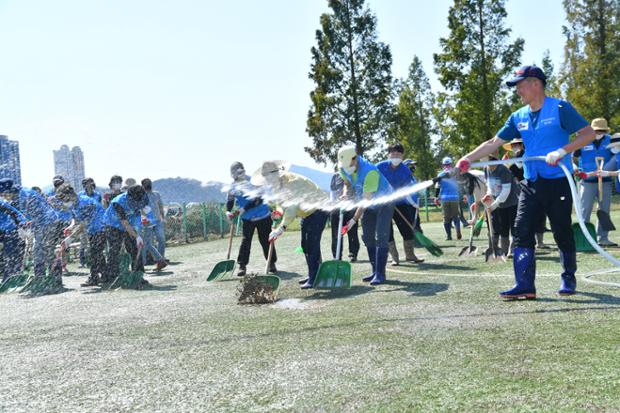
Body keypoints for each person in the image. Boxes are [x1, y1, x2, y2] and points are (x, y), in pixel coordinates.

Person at [456, 65, 595, 299]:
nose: (518, 91)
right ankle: (525, 284)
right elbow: (494, 142)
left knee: (561, 231)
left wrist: (562, 151)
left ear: (536, 84)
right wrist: (468, 158)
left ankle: (568, 278)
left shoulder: (561, 108)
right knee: (521, 230)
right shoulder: (517, 116)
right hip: (531, 184)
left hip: (559, 181)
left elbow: (588, 133)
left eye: (521, 85)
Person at [251, 160, 328, 289]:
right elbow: (281, 204)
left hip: (318, 210)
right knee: (306, 245)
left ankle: (314, 277)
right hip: (306, 213)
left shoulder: (292, 183)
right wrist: (278, 212)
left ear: (274, 175)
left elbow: (292, 209)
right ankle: (313, 274)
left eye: (267, 178)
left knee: (311, 244)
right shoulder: (278, 186)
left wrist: (281, 228)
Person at [338, 145, 394, 285]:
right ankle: (374, 270)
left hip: (384, 203)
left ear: (355, 158)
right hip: (369, 204)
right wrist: (345, 194)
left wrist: (353, 220)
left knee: (381, 235)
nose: (347, 168)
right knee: (367, 236)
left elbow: (365, 200)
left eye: (350, 164)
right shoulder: (342, 167)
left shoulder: (370, 172)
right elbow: (346, 183)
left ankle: (380, 274)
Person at [0, 179, 61, 277]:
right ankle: (50, 276)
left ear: (8, 191)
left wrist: (26, 229)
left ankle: (44, 277)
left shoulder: (24, 195)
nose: (4, 198)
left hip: (47, 222)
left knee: (40, 250)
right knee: (45, 250)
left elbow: (36, 213)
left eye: (3, 194)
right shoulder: (21, 194)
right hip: (45, 222)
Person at [225, 162, 276, 276]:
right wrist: (228, 211)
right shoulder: (232, 187)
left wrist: (244, 208)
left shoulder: (254, 181)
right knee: (245, 242)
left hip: (263, 215)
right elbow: (230, 201)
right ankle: (242, 266)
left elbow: (259, 199)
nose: (237, 174)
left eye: (240, 171)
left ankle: (271, 263)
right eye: (235, 173)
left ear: (243, 171)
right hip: (247, 219)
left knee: (265, 240)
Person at [376, 143, 423, 265]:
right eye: (393, 153)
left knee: (407, 229)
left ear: (402, 156)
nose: (395, 156)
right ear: (388, 154)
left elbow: (406, 190)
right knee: (387, 231)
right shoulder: (379, 167)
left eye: (398, 154)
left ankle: (410, 255)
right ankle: (394, 258)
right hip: (384, 204)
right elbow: (372, 182)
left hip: (401, 203)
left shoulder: (405, 170)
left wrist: (413, 204)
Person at [573, 118, 616, 246]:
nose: (599, 133)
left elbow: (616, 156)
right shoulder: (583, 140)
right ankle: (584, 238)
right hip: (587, 181)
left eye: (602, 131)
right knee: (585, 209)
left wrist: (607, 169)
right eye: (597, 130)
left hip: (605, 181)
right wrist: (577, 170)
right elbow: (573, 157)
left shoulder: (610, 140)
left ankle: (602, 238)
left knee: (604, 210)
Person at [55, 184, 107, 286]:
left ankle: (95, 278)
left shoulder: (85, 203)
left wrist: (70, 238)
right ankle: (106, 275)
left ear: (70, 195)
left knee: (95, 253)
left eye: (65, 199)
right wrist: (71, 227)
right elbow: (77, 219)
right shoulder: (75, 204)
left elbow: (84, 223)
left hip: (101, 227)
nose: (64, 203)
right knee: (97, 253)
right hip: (93, 230)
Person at [503, 138, 550, 250]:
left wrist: (508, 164)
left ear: (522, 145)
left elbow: (519, 166)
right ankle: (530, 241)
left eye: (516, 144)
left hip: (533, 185)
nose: (514, 147)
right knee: (526, 215)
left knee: (538, 214)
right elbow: (513, 173)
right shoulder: (514, 158)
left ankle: (539, 241)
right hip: (521, 188)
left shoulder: (526, 154)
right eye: (513, 145)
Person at [104, 185, 149, 282]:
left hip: (129, 224)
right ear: (130, 197)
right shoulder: (118, 203)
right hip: (113, 225)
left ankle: (138, 275)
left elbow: (138, 214)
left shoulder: (142, 197)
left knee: (134, 249)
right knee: (114, 250)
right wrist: (136, 236)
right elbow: (124, 223)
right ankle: (112, 276)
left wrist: (137, 232)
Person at [481, 153, 519, 256]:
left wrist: (494, 205)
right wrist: (488, 194)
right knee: (503, 228)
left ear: (490, 158)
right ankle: (504, 250)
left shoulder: (503, 170)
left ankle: (513, 250)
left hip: (511, 202)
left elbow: (506, 191)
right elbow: (490, 185)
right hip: (499, 203)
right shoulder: (486, 169)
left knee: (514, 228)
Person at [0, 180, 28, 282]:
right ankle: (10, 276)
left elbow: (14, 213)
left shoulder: (2, 203)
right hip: (5, 231)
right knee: (9, 255)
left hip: (10, 230)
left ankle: (10, 278)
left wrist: (21, 226)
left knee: (11, 254)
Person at [329, 172, 360, 262]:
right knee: (336, 232)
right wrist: (333, 203)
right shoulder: (335, 175)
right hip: (338, 206)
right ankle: (337, 255)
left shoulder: (355, 173)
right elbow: (333, 191)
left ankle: (353, 253)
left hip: (352, 206)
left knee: (352, 231)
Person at [141, 178, 168, 267]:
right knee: (147, 243)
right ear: (143, 185)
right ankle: (144, 262)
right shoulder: (141, 196)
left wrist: (163, 217)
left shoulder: (156, 194)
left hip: (157, 221)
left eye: (149, 183)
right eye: (146, 184)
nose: (148, 185)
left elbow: (160, 206)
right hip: (147, 223)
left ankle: (160, 260)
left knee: (161, 240)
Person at [434, 157, 462, 241]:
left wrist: (436, 198)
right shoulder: (456, 173)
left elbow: (438, 187)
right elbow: (460, 185)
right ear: (451, 164)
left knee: (446, 218)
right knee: (455, 217)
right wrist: (463, 195)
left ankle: (449, 236)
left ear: (443, 165)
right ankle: (457, 230)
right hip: (455, 197)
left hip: (444, 198)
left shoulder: (440, 175)